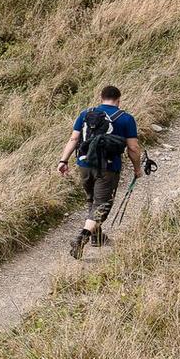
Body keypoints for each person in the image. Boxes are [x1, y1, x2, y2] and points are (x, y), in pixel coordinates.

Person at [58, 84, 143, 259]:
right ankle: (82, 237)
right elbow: (133, 148)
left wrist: (63, 160)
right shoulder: (125, 118)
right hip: (108, 168)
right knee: (102, 205)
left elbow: (74, 138)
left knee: (93, 200)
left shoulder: (85, 114)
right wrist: (137, 168)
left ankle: (97, 237)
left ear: (101, 98)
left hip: (84, 164)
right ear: (118, 100)